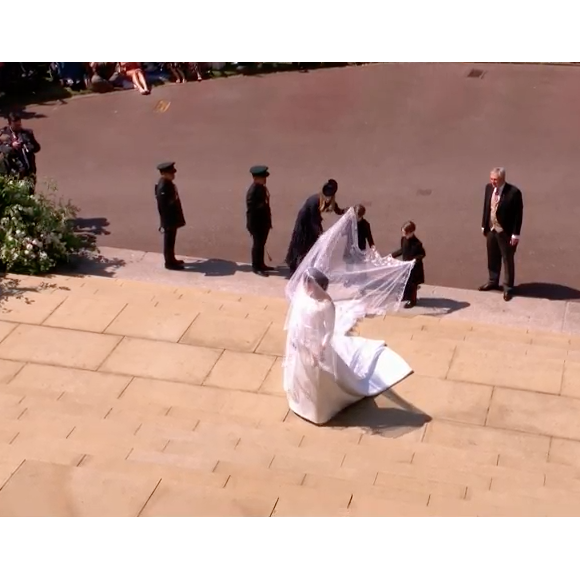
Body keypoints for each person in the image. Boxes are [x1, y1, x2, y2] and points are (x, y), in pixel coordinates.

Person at [284, 258, 415, 426]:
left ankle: (319, 410)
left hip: (318, 345)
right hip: (303, 343)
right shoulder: (304, 299)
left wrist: (321, 348)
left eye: (308, 283)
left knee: (319, 376)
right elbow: (297, 321)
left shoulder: (326, 304)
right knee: (302, 372)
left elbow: (329, 330)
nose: (305, 286)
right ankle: (302, 401)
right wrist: (297, 340)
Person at [479, 167, 524, 302]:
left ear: (502, 179)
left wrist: (515, 234)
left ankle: (508, 287)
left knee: (507, 259)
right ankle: (493, 280)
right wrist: (484, 225)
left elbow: (518, 215)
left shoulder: (514, 193)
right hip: (492, 229)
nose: (493, 182)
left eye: (496, 180)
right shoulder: (488, 188)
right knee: (492, 256)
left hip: (505, 232)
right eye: (491, 179)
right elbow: (486, 206)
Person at [285, 179, 346, 274]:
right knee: (301, 244)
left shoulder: (329, 201)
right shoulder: (314, 201)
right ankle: (294, 265)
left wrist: (348, 211)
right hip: (304, 222)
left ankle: (306, 264)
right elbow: (313, 220)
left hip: (315, 222)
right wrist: (319, 233)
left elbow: (338, 210)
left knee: (311, 244)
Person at [155, 162, 186, 270]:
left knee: (171, 241)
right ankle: (169, 263)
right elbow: (163, 206)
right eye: (171, 173)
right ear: (164, 173)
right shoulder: (163, 186)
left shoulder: (167, 183)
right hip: (169, 219)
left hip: (171, 218)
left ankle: (172, 259)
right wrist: (165, 222)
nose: (173, 175)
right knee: (169, 242)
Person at [246, 165, 274, 277]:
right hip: (257, 224)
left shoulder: (261, 188)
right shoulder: (253, 191)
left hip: (263, 222)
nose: (265, 179)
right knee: (257, 245)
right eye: (263, 177)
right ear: (255, 178)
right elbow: (252, 210)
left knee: (262, 244)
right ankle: (256, 266)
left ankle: (261, 264)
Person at [391, 221, 426, 309]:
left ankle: (412, 300)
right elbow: (402, 250)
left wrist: (415, 260)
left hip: (414, 268)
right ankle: (405, 296)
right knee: (405, 282)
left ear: (411, 232)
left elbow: (422, 254)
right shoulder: (404, 239)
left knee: (412, 285)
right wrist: (393, 255)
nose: (403, 234)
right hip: (406, 266)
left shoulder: (417, 243)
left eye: (405, 233)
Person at [0, 112, 41, 184]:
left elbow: (37, 148)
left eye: (19, 124)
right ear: (9, 124)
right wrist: (11, 146)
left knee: (30, 192)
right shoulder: (3, 134)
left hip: (28, 171)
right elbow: (2, 149)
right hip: (12, 173)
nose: (19, 127)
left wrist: (27, 145)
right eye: (16, 125)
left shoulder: (27, 133)